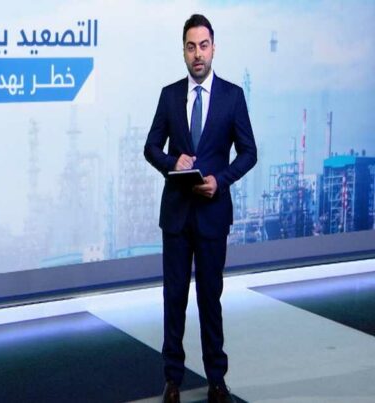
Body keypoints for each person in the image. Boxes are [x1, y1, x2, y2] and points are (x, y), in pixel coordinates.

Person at [144, 14, 257, 403]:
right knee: (174, 298)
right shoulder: (169, 95)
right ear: (183, 51)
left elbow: (249, 152)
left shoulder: (232, 96)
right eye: (191, 47)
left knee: (211, 298)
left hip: (212, 214)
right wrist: (171, 161)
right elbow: (151, 147)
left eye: (203, 46)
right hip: (176, 216)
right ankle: (172, 380)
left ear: (213, 48)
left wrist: (220, 181)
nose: (197, 54)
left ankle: (217, 380)